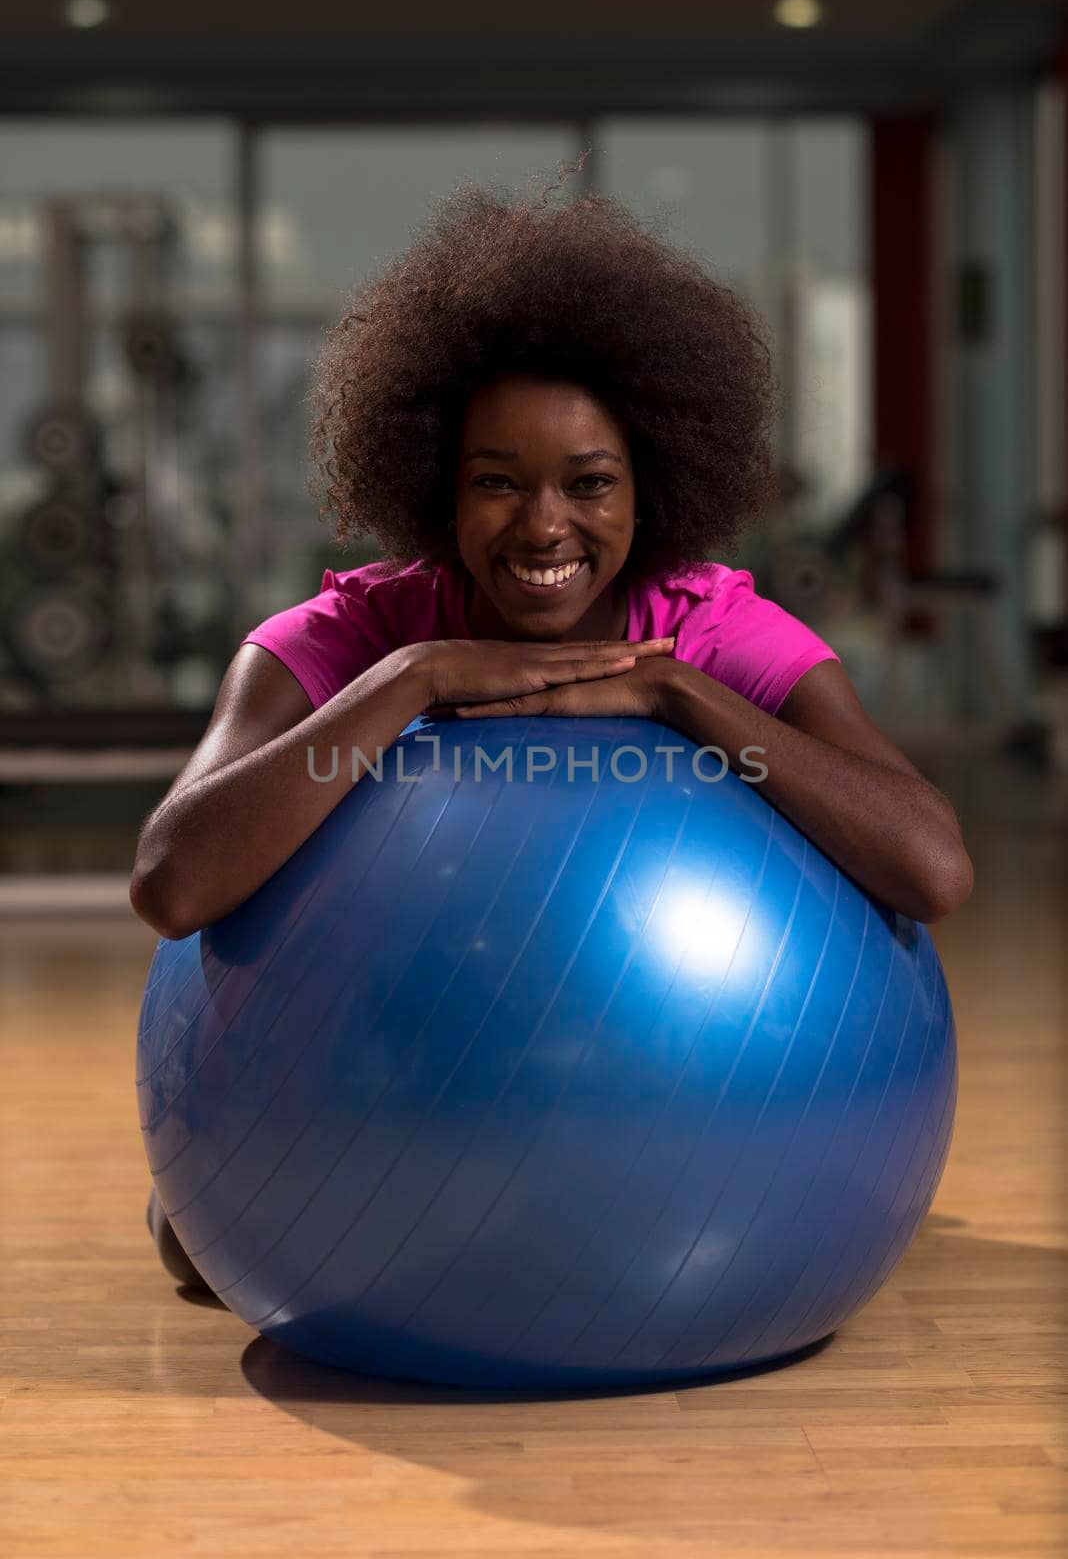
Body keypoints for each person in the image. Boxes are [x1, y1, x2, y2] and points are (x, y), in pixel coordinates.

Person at [132, 157, 974, 1290]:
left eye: (590, 482)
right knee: (206, 1250)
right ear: (437, 484)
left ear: (648, 488)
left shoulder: (714, 629)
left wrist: (679, 693)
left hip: (684, 1121)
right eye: (496, 482)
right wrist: (416, 678)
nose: (544, 526)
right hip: (386, 1095)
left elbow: (933, 864)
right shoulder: (356, 633)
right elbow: (173, 884)